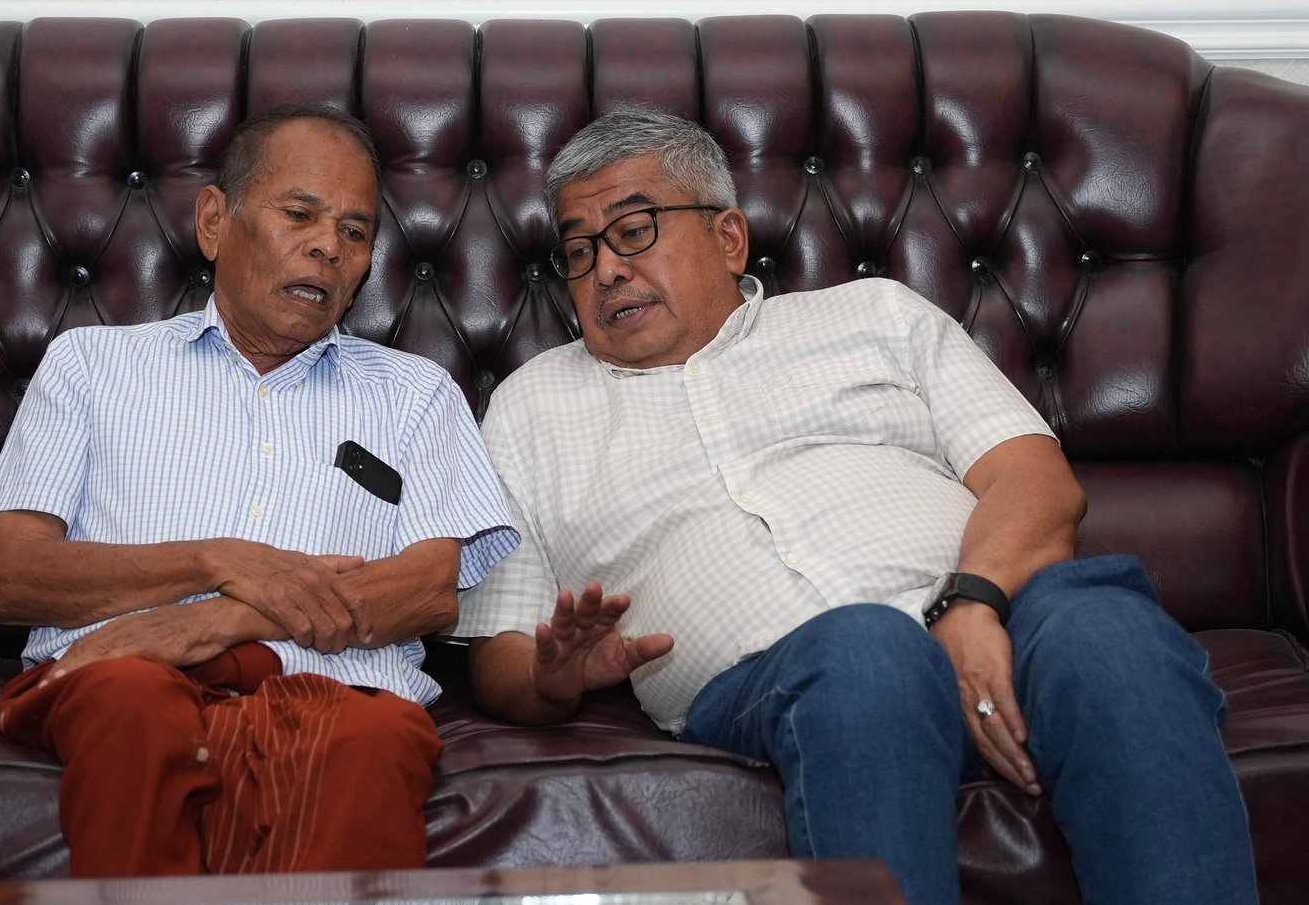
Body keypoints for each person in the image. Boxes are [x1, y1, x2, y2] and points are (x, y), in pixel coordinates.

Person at [453, 109, 1257, 905]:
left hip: (999, 612)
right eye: (579, 251)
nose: (605, 270)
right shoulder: (528, 408)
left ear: (728, 237)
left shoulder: (877, 316)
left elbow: (1035, 482)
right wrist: (556, 680)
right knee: (870, 654)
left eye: (634, 232)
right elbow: (499, 655)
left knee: (1108, 634)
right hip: (781, 672)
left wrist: (970, 604)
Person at [0, 105, 517, 878]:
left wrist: (224, 617)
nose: (329, 247)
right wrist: (218, 560)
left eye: (356, 231)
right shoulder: (89, 366)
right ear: (215, 222)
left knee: (371, 744)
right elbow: (15, 578)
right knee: (130, 706)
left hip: (337, 689)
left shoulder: (414, 394)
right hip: (124, 677)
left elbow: (428, 590)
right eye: (300, 215)